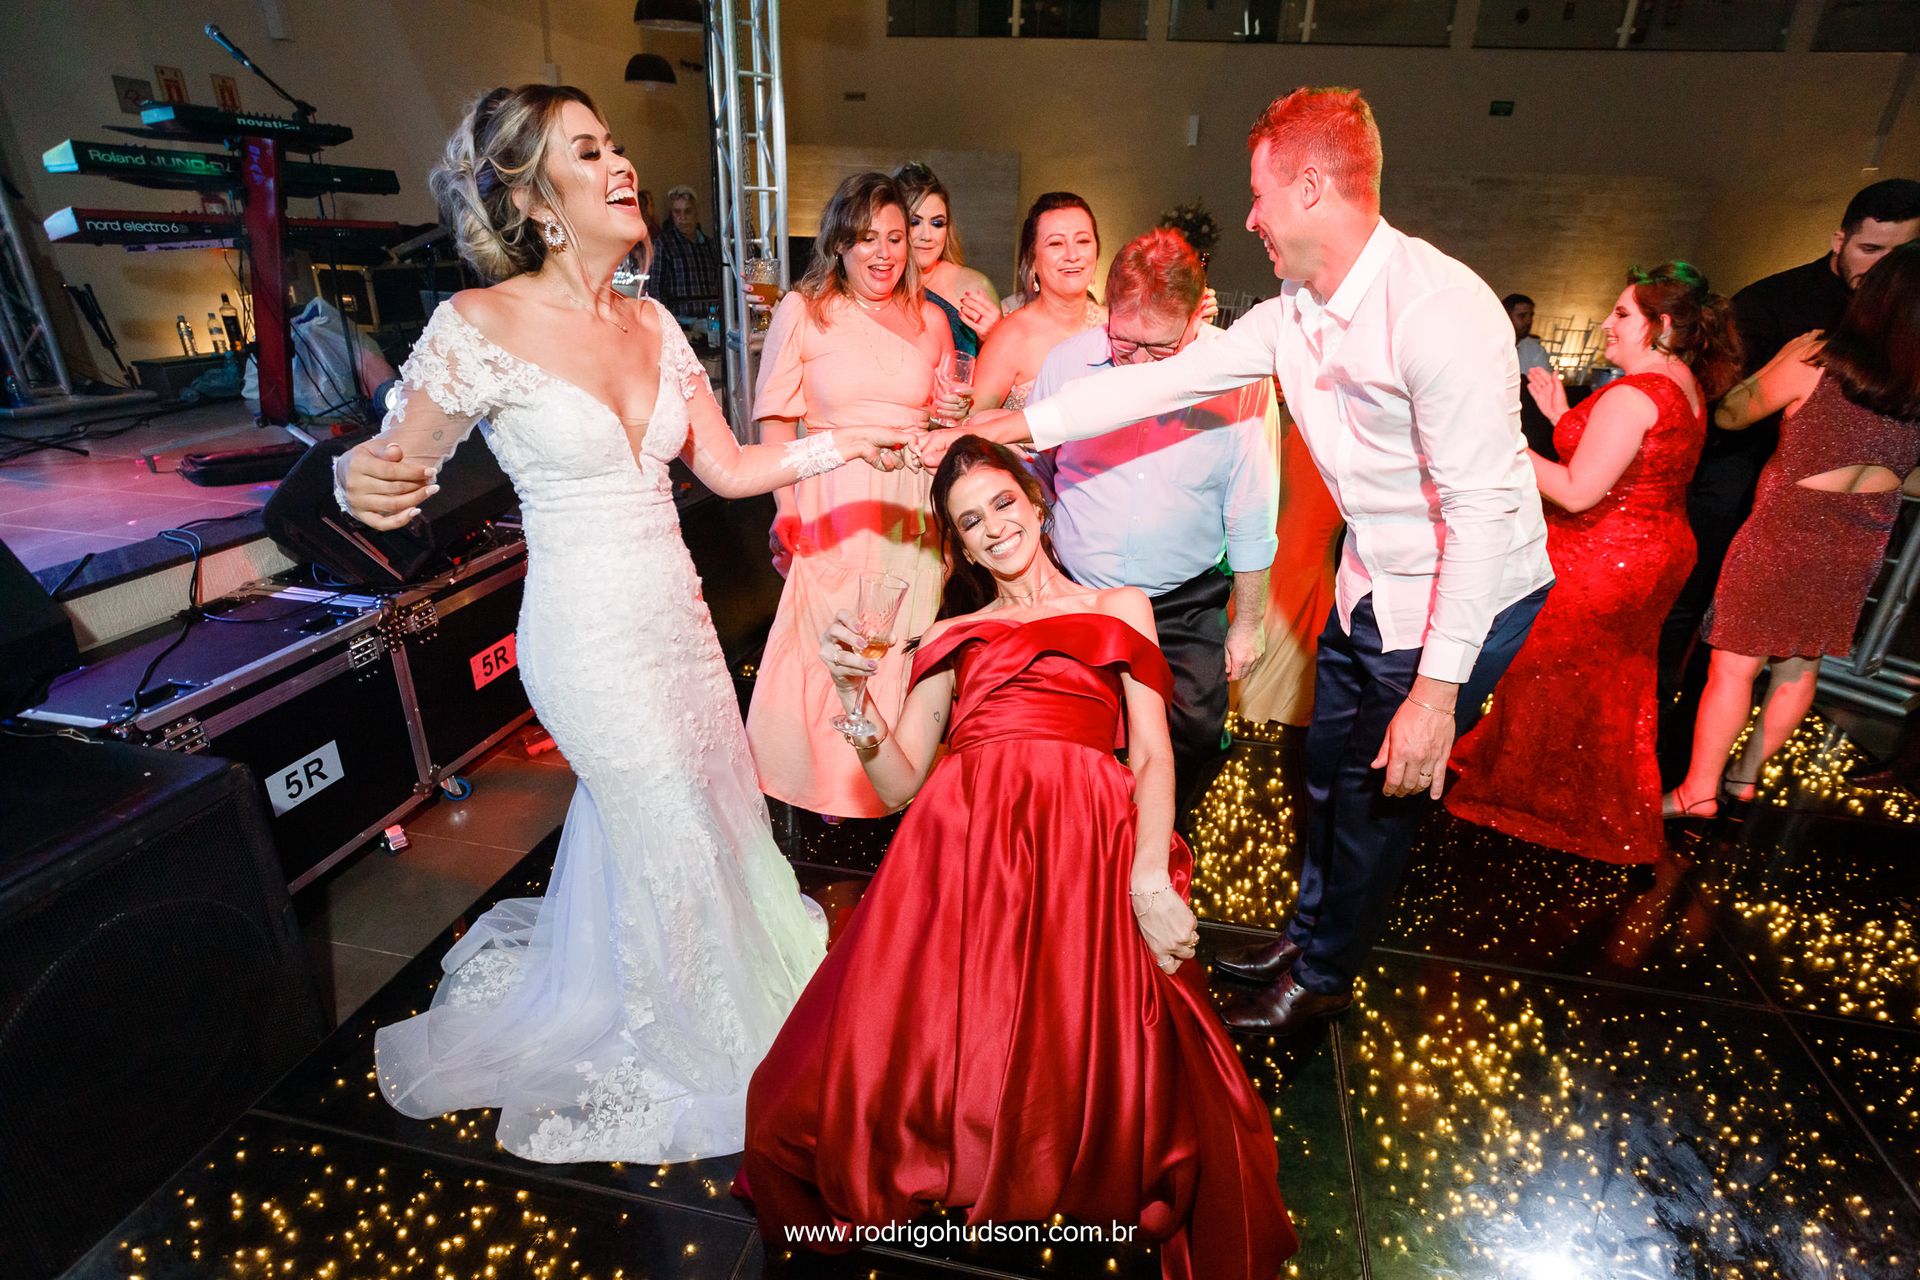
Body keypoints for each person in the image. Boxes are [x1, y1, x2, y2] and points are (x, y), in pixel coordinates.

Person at [330, 85, 915, 1163]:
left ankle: (704, 978)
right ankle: (703, 1039)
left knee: (711, 812)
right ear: (536, 197)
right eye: (586, 151)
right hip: (587, 639)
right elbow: (389, 461)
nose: (619, 164)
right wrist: (352, 472)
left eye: (615, 144)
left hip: (679, 626)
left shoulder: (650, 322)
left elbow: (731, 468)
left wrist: (852, 440)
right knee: (666, 824)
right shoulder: (478, 325)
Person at [933, 86, 1553, 1037]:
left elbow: (1478, 514)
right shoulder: (1291, 316)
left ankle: (1328, 970)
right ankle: (1307, 933)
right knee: (1325, 770)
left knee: (1379, 798)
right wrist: (999, 425)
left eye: (1260, 193)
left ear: (1311, 186)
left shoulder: (1439, 311)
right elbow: (1156, 387)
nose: (1251, 215)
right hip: (1373, 580)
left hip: (1460, 597)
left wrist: (1436, 698)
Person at [740, 436, 1298, 1280]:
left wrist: (1150, 874)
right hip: (963, 844)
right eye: (971, 521)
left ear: (1036, 504)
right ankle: (961, 1147)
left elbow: (1151, 755)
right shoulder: (954, 631)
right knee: (859, 1066)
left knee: (1082, 1025)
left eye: (1003, 504)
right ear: (958, 545)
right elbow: (897, 783)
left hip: (1084, 834)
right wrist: (854, 699)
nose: (993, 527)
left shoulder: (1121, 605)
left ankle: (1051, 1155)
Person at [1447, 264, 1736, 864]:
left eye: (1623, 314)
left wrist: (1502, 448)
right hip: (1653, 550)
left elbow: (1579, 490)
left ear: (1661, 326)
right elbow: (1630, 464)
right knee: (1607, 681)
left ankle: (1538, 797)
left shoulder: (1633, 394)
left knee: (1549, 672)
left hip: (1606, 556)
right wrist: (1560, 416)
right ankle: (1592, 791)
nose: (1607, 323)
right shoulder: (1681, 383)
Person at [1664, 242, 1920, 819]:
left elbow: (1731, 413)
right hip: (1861, 542)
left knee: (1735, 666)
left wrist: (1778, 360)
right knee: (1801, 665)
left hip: (1786, 530)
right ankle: (1745, 780)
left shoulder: (1819, 360)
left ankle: (1696, 792)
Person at [1028, 228, 1279, 806]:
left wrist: (1248, 621)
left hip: (1181, 603)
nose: (1139, 365)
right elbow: (1038, 473)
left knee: (1192, 734)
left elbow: (1251, 502)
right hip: (1076, 591)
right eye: (1124, 344)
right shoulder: (1066, 363)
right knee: (1067, 736)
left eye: (1161, 350)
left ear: (1196, 317)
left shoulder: (1238, 378)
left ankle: (1161, 855)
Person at [747, 172, 961, 820]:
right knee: (834, 645)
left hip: (913, 512)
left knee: (899, 641)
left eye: (895, 238)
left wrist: (955, 411)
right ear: (839, 241)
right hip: (834, 504)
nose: (884, 252)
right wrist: (786, 509)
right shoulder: (805, 309)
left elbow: (947, 422)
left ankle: (884, 792)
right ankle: (822, 797)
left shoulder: (931, 321)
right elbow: (775, 419)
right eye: (867, 237)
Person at [1232, 396, 1343, 731]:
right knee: (1269, 536)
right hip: (1275, 422)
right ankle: (1239, 675)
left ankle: (1280, 689)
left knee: (1303, 548)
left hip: (1337, 435)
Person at [973, 192, 1106, 410]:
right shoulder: (1010, 337)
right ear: (1032, 260)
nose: (1072, 255)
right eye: (1056, 244)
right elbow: (972, 425)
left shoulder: (1115, 327)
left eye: (1082, 241)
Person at [893, 161, 1001, 356]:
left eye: (937, 223)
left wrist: (991, 338)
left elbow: (999, 375)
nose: (927, 235)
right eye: (914, 222)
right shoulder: (877, 286)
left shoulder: (975, 286)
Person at [653, 183, 723, 318]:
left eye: (687, 211)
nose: (682, 217)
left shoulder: (709, 245)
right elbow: (656, 290)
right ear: (672, 214)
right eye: (677, 212)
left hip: (712, 321)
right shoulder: (664, 244)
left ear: (696, 212)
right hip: (682, 323)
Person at [1505, 291, 1558, 458]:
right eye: (1522, 316)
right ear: (1506, 317)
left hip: (1529, 412)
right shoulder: (1493, 344)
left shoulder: (1534, 348)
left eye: (1530, 316)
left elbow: (1545, 379)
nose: (1528, 321)